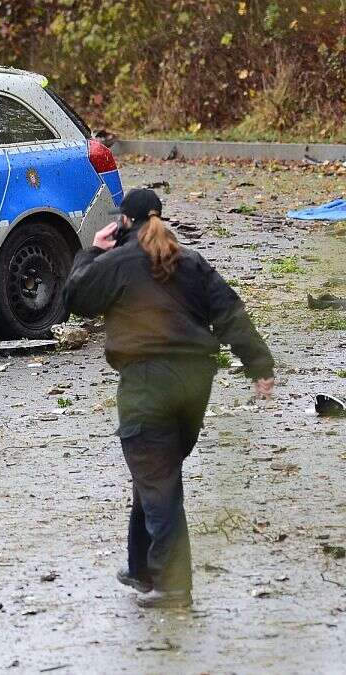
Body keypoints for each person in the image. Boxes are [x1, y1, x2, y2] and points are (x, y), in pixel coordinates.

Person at [64, 188, 275, 609]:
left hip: (147, 381)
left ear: (124, 221)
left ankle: (173, 583)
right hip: (195, 383)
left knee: (157, 480)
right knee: (157, 475)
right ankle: (142, 567)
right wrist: (259, 365)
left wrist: (91, 251)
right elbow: (230, 312)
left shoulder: (117, 262)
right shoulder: (191, 260)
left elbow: (75, 299)